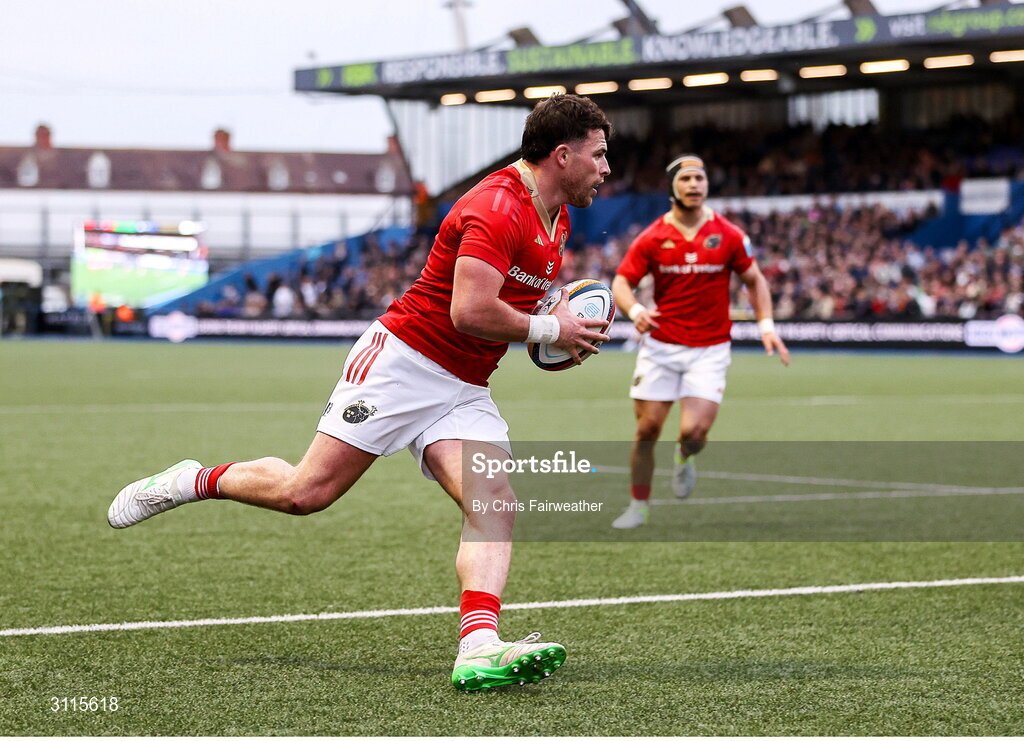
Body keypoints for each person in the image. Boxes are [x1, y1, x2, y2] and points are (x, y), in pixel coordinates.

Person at [107, 94, 612, 691]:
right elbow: (471, 309)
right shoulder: (495, 207)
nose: (606, 168)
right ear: (562, 155)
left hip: (464, 385)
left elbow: (515, 302)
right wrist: (555, 328)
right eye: (599, 155)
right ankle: (192, 479)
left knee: (494, 500)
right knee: (305, 493)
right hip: (401, 365)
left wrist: (555, 326)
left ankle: (478, 647)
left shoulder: (559, 215)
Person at [610, 154, 789, 530]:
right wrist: (635, 309)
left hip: (709, 350)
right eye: (686, 179)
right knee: (646, 431)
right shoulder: (654, 236)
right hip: (660, 347)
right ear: (672, 186)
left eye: (700, 179)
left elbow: (755, 280)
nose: (694, 185)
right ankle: (637, 505)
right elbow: (621, 282)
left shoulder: (729, 234)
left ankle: (685, 456)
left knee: (693, 433)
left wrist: (767, 325)